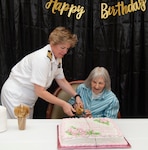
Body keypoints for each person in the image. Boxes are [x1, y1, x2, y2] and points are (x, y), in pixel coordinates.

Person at [1, 26, 83, 119]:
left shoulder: (57, 57)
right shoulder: (42, 59)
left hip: (28, 99)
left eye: (67, 48)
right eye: (62, 47)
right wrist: (63, 104)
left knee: (25, 129)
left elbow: (62, 81)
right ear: (52, 43)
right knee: (20, 129)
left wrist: (76, 96)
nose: (65, 52)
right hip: (15, 96)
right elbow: (40, 91)